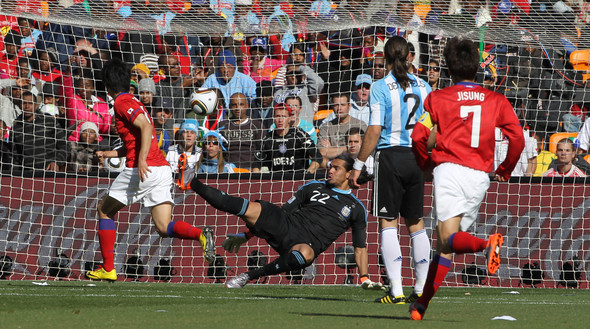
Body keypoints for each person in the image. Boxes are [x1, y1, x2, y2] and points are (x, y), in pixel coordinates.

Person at [408, 37, 525, 320]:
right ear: (477, 68)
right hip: (480, 176)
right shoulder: (496, 100)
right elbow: (518, 138)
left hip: (450, 169)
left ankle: (488, 244)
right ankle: (422, 304)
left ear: (449, 69)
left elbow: (418, 136)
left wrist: (426, 165)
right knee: (446, 245)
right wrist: (505, 170)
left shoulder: (437, 98)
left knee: (448, 238)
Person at [85, 59, 215, 282]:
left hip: (142, 169)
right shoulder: (134, 101)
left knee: (105, 210)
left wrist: (142, 160)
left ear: (106, 85)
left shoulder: (122, 102)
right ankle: (201, 234)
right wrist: (109, 154)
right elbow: (136, 140)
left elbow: (145, 127)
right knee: (163, 227)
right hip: (162, 169)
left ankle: (108, 268)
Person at [178, 154, 382, 290]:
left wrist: (364, 278)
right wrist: (246, 236)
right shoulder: (313, 186)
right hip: (287, 223)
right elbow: (285, 210)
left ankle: (248, 276)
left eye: (336, 168)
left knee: (306, 255)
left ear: (349, 173)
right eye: (329, 167)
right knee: (247, 207)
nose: (329, 171)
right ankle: (192, 181)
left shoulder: (356, 208)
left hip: (306, 242)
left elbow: (360, 248)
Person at [349, 36, 431, 305]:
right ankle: (420, 289)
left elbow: (374, 130)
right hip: (417, 157)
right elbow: (434, 129)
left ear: (384, 57)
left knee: (388, 223)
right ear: (410, 56)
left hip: (390, 157)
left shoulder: (380, 86)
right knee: (416, 224)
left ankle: (395, 290)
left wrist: (358, 165)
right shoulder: (425, 86)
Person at [252, 103, 321, 174]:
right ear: (273, 118)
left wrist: (307, 174)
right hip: (275, 180)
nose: (280, 120)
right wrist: (256, 173)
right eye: (277, 116)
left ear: (289, 118)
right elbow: (257, 162)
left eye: (284, 116)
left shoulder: (299, 135)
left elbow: (317, 156)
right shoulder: (268, 138)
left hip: (297, 179)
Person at [10, 91, 67, 173]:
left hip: (50, 173)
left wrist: (57, 162)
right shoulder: (16, 127)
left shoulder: (49, 121)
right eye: (24, 103)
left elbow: (65, 145)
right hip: (27, 175)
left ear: (36, 105)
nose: (27, 106)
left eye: (30, 103)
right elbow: (14, 156)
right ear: (19, 105)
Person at [318, 93, 367, 163]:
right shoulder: (326, 127)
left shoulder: (360, 125)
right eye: (336, 105)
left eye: (343, 105)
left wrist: (331, 149)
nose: (339, 108)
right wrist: (350, 148)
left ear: (349, 106)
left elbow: (364, 149)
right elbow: (322, 152)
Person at [218, 92, 263, 170]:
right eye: (234, 105)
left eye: (241, 104)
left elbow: (263, 149)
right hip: (228, 168)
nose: (237, 108)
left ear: (247, 106)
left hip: (251, 168)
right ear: (229, 107)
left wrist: (256, 167)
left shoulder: (257, 125)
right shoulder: (222, 126)